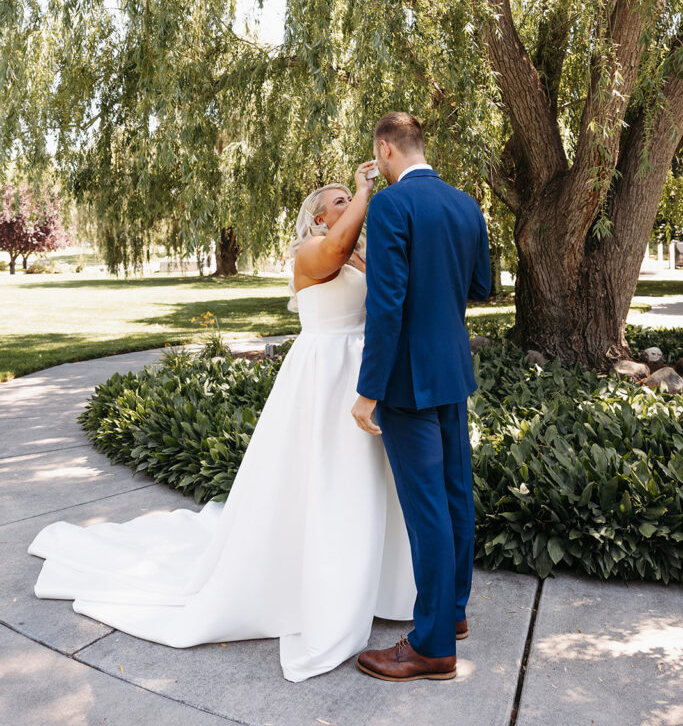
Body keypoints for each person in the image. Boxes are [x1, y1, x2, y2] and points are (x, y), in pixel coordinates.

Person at [27, 163, 416, 683]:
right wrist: (368, 190)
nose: (349, 203)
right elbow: (337, 253)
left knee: (366, 484)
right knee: (324, 481)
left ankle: (378, 583)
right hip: (321, 379)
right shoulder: (311, 254)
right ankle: (319, 585)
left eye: (351, 197)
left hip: (359, 375)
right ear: (317, 217)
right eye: (339, 200)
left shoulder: (360, 254)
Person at [351, 111, 491, 682]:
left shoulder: (390, 206)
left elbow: (386, 306)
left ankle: (432, 645)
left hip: (407, 378)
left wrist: (367, 392)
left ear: (385, 149)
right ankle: (452, 612)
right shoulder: (465, 205)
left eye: (376, 155)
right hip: (453, 373)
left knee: (427, 507)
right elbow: (480, 286)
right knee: (456, 495)